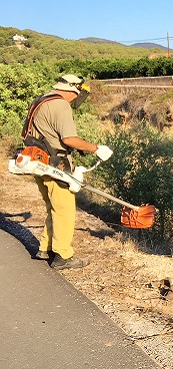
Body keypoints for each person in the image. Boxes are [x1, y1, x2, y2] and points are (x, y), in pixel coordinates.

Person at [23, 74, 113, 270]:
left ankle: (46, 248)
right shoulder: (61, 105)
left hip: (38, 160)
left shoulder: (42, 100)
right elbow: (69, 139)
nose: (77, 99)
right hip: (55, 164)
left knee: (53, 207)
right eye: (79, 94)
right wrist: (96, 149)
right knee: (64, 210)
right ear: (74, 90)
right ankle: (63, 256)